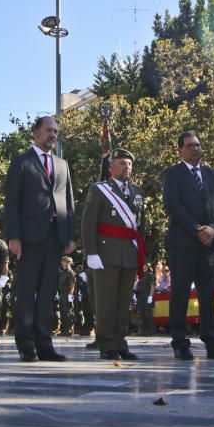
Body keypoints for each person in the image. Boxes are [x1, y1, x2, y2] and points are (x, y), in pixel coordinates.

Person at [4, 115, 77, 362]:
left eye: (56, 131)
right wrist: (14, 237)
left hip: (55, 237)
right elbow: (12, 202)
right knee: (27, 292)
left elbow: (68, 202)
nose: (53, 135)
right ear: (36, 132)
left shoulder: (62, 165)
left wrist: (70, 235)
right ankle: (26, 344)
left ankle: (45, 345)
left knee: (47, 294)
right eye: (48, 130)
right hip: (29, 238)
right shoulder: (21, 162)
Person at [161, 131, 214, 361]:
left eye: (198, 145)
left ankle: (213, 342)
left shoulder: (213, 174)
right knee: (180, 294)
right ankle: (180, 343)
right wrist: (196, 229)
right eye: (190, 146)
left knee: (207, 294)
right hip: (183, 244)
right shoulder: (172, 173)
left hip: (210, 244)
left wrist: (213, 228)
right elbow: (173, 205)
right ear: (180, 149)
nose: (195, 149)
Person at [82, 148, 147, 360]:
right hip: (105, 253)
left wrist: (141, 255)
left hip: (129, 253)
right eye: (121, 163)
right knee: (106, 302)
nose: (126, 166)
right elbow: (88, 223)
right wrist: (91, 252)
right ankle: (106, 343)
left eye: (129, 163)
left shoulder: (138, 192)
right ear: (111, 167)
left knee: (123, 302)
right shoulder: (100, 189)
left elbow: (140, 227)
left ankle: (120, 342)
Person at [56, 256, 76, 336]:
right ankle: (63, 329)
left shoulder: (70, 272)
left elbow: (72, 284)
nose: (62, 263)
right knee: (62, 311)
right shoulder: (63, 272)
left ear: (68, 262)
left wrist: (70, 295)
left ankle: (68, 330)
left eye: (63, 261)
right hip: (62, 294)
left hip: (67, 294)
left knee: (67, 312)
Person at [135, 263, 156, 336]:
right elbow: (137, 288)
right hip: (141, 298)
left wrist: (150, 296)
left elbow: (152, 285)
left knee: (148, 314)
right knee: (142, 314)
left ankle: (149, 331)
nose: (144, 267)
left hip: (147, 297)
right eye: (143, 266)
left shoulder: (150, 276)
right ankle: (144, 330)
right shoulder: (142, 277)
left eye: (146, 266)